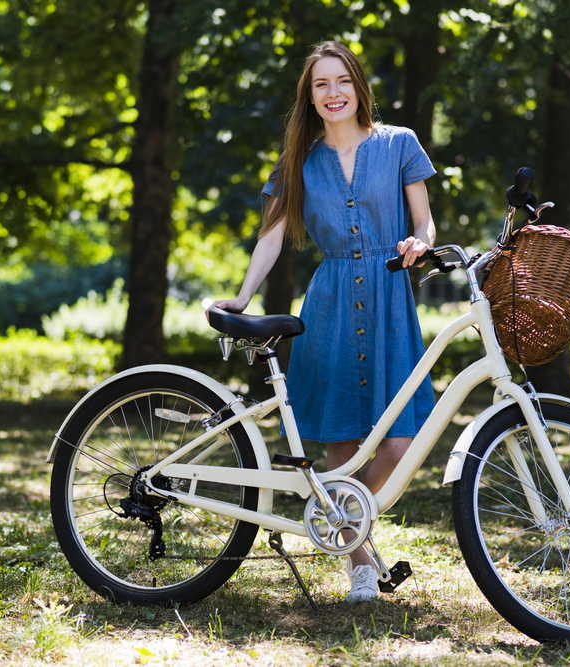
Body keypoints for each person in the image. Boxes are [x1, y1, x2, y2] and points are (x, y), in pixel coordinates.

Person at [211, 41, 437, 603]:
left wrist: (419, 244)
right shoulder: (302, 162)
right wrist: (244, 296)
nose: (332, 93)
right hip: (331, 302)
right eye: (321, 85)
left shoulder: (400, 143)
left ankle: (334, 513)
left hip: (390, 298)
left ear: (359, 87)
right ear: (309, 98)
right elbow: (271, 234)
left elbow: (426, 222)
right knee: (342, 436)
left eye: (341, 82)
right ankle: (359, 563)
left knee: (403, 437)